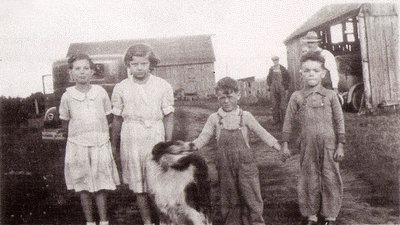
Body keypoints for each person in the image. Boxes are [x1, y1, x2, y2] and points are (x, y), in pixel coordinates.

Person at [192, 77, 282, 225]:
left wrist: (278, 147)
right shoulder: (214, 118)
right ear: (217, 97)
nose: (226, 101)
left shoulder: (245, 116)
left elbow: (262, 133)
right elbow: (202, 138)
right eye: (222, 98)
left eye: (230, 97)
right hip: (225, 166)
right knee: (229, 199)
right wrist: (189, 147)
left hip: (246, 165)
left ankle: (256, 222)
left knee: (252, 196)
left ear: (238, 95)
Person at [111, 44, 174, 224]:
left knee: (157, 184)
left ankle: (163, 220)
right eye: (135, 64)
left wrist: (167, 144)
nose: (139, 68)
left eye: (143, 63)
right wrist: (114, 145)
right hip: (131, 137)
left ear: (150, 64)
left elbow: (168, 115)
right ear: (128, 65)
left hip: (154, 136)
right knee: (139, 186)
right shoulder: (121, 87)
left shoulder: (162, 85)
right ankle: (147, 221)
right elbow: (117, 119)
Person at [281, 52, 345, 225]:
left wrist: (340, 145)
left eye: (316, 70)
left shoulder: (330, 95)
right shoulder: (297, 96)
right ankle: (311, 214)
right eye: (307, 70)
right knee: (309, 178)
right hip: (307, 144)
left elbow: (339, 121)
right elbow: (288, 121)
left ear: (323, 73)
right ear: (301, 72)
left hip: (329, 144)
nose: (311, 74)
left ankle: (330, 214)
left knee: (330, 177)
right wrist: (285, 144)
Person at [59, 54, 120, 225]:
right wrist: (74, 140)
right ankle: (90, 222)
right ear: (71, 73)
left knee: (101, 184)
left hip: (100, 143)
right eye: (77, 69)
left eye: (86, 68)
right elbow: (65, 123)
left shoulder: (100, 93)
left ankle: (103, 220)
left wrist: (101, 136)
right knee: (83, 185)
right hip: (78, 145)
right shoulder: (67, 96)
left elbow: (108, 117)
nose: (82, 72)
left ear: (92, 72)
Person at [266, 56, 290, 125]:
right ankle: (276, 121)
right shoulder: (271, 69)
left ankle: (284, 121)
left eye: (276, 60)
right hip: (273, 88)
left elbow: (288, 77)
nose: (275, 62)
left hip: (281, 88)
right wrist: (270, 85)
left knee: (283, 105)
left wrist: (285, 86)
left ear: (278, 61)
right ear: (273, 61)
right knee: (274, 104)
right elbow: (268, 78)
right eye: (274, 61)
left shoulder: (282, 68)